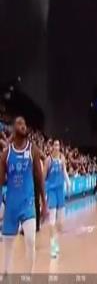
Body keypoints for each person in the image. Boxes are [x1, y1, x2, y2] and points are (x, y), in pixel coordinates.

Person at [0, 116, 48, 274]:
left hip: (28, 204)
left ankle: (28, 276)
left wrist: (44, 204)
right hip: (11, 206)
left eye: (25, 123)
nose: (23, 126)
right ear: (13, 128)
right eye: (20, 123)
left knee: (30, 240)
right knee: (8, 247)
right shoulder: (6, 154)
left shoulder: (32, 149)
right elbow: (0, 181)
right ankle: (7, 275)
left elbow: (39, 177)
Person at [44, 139, 71, 258]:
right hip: (52, 191)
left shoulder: (62, 158)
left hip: (60, 191)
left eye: (58, 145)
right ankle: (53, 247)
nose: (57, 147)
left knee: (60, 222)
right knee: (52, 221)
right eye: (55, 145)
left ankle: (56, 242)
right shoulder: (48, 160)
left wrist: (68, 183)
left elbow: (64, 171)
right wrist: (44, 194)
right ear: (52, 147)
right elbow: (44, 177)